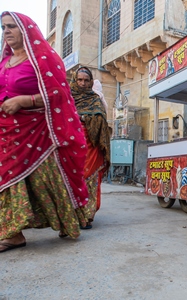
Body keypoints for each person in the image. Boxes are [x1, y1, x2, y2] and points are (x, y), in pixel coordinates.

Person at [0, 11, 90, 252]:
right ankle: (13, 232)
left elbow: (60, 94)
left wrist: (24, 101)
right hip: (8, 132)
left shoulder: (41, 60)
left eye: (11, 27)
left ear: (25, 30)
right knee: (8, 179)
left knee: (45, 181)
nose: (6, 31)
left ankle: (67, 221)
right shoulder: (4, 62)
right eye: (3, 27)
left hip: (38, 134)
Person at [70, 67, 111, 230]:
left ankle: (87, 216)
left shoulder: (95, 99)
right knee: (72, 181)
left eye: (86, 80)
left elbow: (102, 120)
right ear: (74, 80)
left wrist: (86, 119)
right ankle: (71, 216)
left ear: (91, 82)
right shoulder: (68, 98)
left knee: (91, 181)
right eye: (79, 80)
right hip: (72, 146)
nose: (83, 83)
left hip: (92, 147)